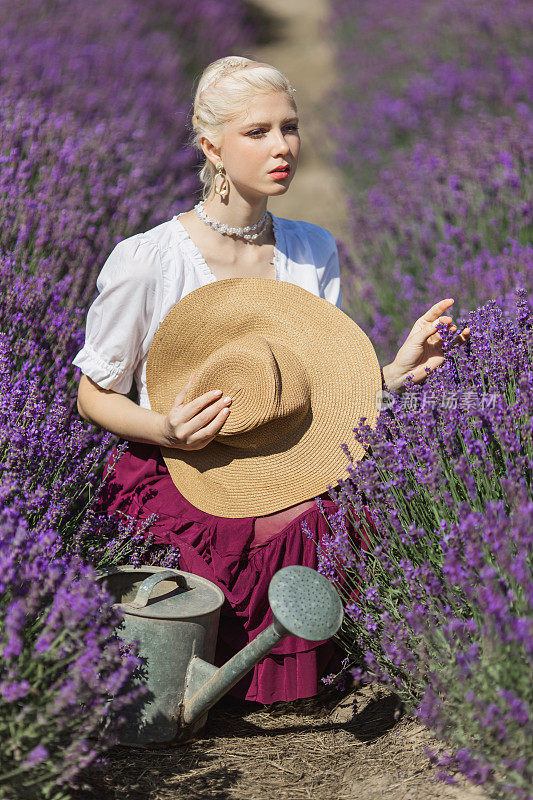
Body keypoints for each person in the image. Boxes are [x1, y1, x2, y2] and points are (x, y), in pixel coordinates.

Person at [72, 56, 470, 707]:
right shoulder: (148, 261)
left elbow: (315, 389)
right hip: (177, 463)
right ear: (211, 147)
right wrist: (164, 427)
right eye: (257, 131)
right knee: (289, 526)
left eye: (289, 127)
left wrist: (391, 374)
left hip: (287, 452)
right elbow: (93, 393)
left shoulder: (311, 248)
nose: (282, 146)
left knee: (344, 506)